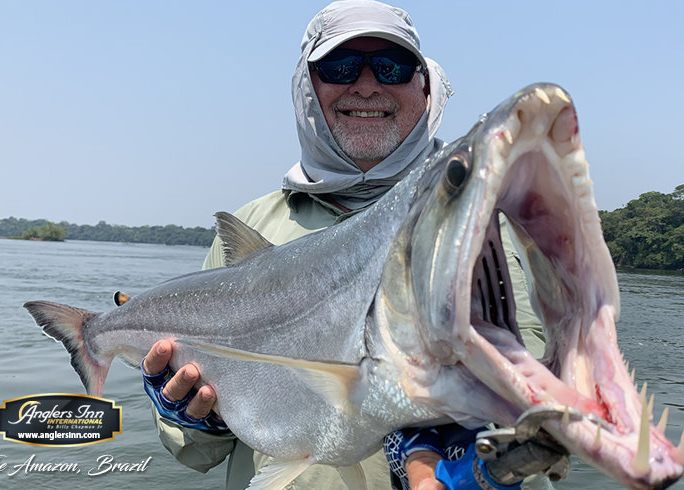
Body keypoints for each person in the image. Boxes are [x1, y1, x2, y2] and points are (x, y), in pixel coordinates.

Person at [141, 1, 548, 489]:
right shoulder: (251, 224)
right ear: (306, 87)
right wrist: (190, 418)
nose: (368, 84)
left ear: (425, 86)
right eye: (340, 66)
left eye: (393, 67)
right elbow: (196, 454)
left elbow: (531, 395)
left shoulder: (474, 223)